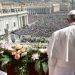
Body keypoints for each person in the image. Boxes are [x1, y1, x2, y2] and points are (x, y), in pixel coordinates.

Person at [47, 10, 75, 75]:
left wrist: (51, 73)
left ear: (68, 20)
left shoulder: (57, 34)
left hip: (62, 71)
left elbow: (52, 58)